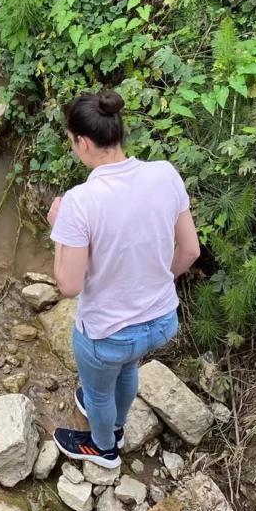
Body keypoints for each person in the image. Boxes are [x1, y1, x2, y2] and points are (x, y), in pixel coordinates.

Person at [48, 91, 202, 467]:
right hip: (162, 322)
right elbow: (190, 251)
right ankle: (116, 420)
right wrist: (155, 283)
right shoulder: (165, 174)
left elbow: (68, 285)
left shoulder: (79, 202)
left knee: (98, 393)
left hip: (107, 334)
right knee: (128, 367)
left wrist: (58, 230)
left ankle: (105, 447)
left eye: (71, 142)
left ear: (83, 141)